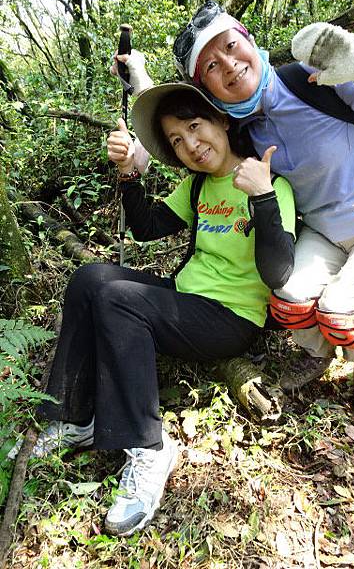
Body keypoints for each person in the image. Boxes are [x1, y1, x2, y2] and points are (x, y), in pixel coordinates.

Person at [118, 1, 354, 421]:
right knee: (286, 296)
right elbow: (188, 127)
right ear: (207, 90)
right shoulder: (242, 126)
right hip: (326, 232)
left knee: (338, 309)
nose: (229, 65)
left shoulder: (312, 83)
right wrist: (138, 79)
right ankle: (320, 353)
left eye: (231, 46)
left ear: (248, 40)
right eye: (211, 66)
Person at [14, 82, 296, 537]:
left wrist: (262, 197)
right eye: (177, 140)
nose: (191, 144)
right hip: (185, 298)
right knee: (92, 279)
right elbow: (146, 227)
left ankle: (149, 446)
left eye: (194, 126)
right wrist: (129, 174)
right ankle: (76, 417)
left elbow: (278, 271)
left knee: (116, 298)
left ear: (221, 120)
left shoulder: (268, 181)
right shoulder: (200, 185)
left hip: (231, 319)